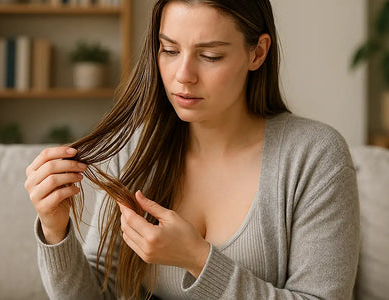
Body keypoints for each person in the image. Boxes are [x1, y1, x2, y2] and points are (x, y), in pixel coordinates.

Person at [24, 0, 360, 299]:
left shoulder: (315, 156)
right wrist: (55, 230)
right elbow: (102, 293)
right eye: (169, 50)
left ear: (258, 52)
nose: (183, 75)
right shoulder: (136, 148)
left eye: (210, 56)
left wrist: (197, 259)